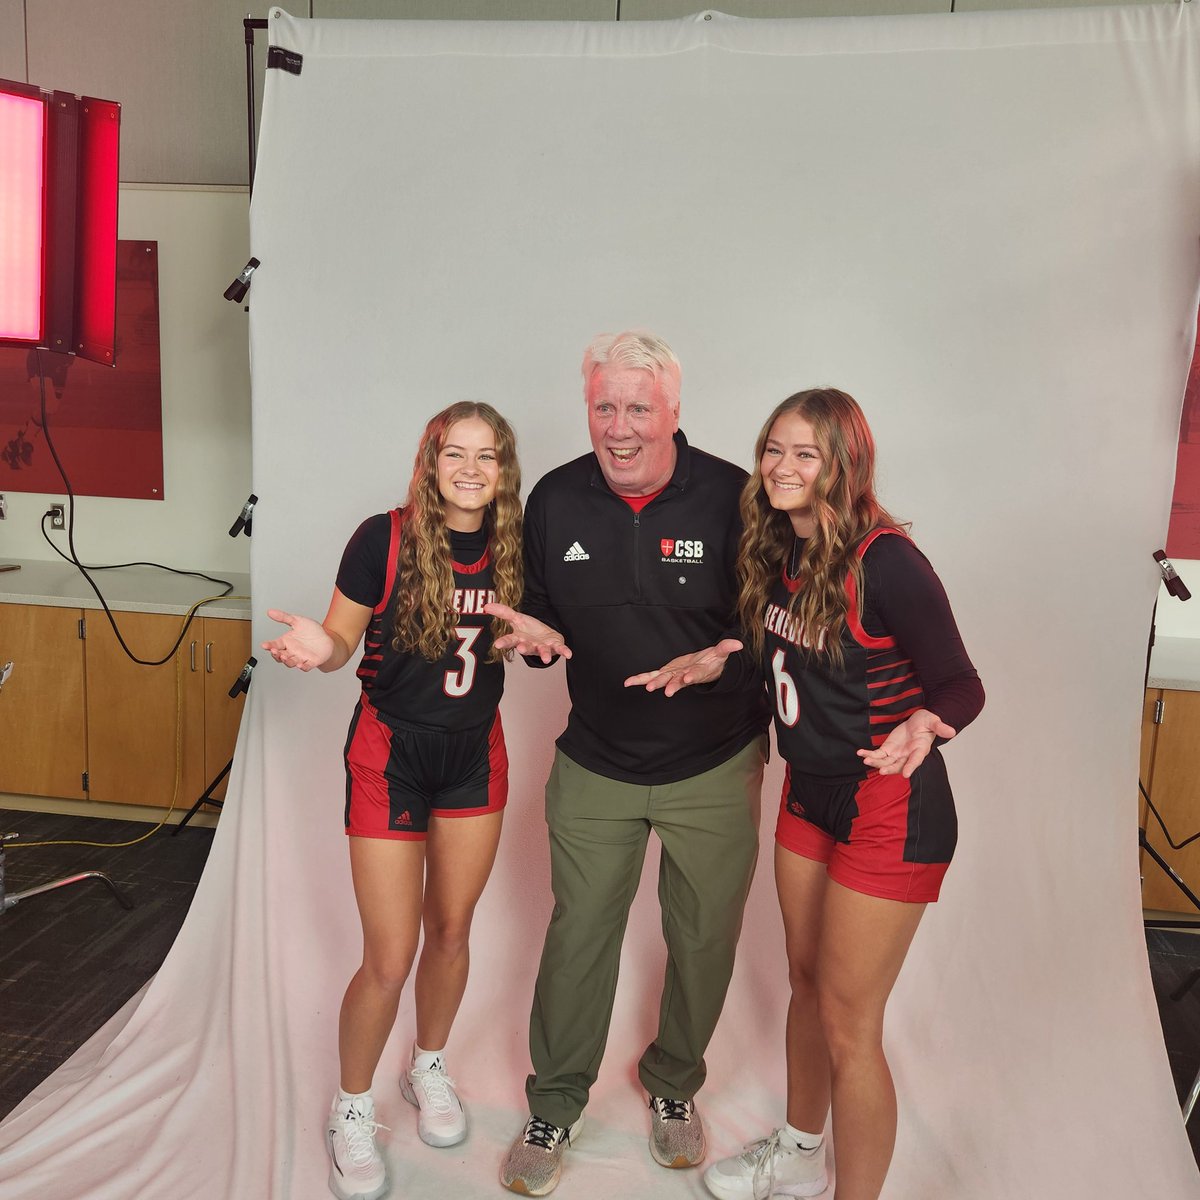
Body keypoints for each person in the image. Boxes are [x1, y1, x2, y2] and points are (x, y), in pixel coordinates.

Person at [627, 387, 984, 1200]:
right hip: (808, 797)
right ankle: (797, 1151)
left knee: (852, 1025)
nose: (782, 467)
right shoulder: (780, 548)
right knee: (807, 983)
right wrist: (726, 654)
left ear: (843, 464)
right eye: (774, 449)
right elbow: (794, 657)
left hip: (889, 806)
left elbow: (962, 684)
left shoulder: (888, 561)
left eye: (805, 454)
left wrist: (925, 724)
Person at [485, 331, 770, 1197]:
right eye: (604, 406)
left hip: (714, 762)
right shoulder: (557, 498)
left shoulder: (736, 496)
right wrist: (528, 645)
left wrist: (730, 653)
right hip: (598, 761)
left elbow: (782, 618)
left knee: (703, 938)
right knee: (579, 936)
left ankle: (674, 1086)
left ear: (674, 412)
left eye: (638, 407)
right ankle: (555, 1104)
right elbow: (535, 616)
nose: (619, 426)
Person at [262, 402, 524, 1200]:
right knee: (388, 953)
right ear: (430, 461)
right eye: (455, 454)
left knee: (451, 928)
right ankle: (351, 1107)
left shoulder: (520, 546)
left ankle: (428, 1068)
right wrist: (323, 647)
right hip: (391, 755)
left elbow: (541, 636)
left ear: (506, 468)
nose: (470, 469)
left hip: (475, 755)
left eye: (487, 456)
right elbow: (342, 644)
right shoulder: (383, 537)